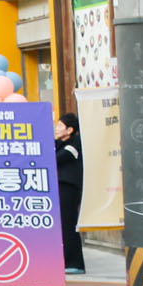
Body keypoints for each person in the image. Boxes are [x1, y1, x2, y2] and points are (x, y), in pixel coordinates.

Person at [56, 113, 86, 274]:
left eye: (60, 126)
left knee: (68, 224)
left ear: (70, 129)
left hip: (69, 187)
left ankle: (75, 263)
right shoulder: (60, 143)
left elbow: (59, 158)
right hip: (60, 187)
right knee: (62, 225)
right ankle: (66, 261)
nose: (57, 128)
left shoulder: (75, 143)